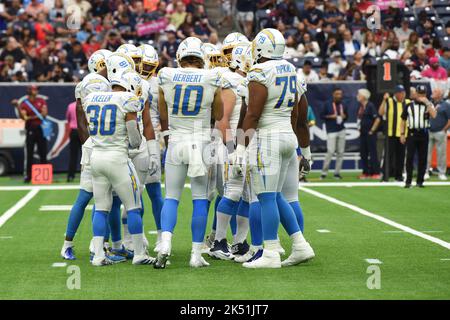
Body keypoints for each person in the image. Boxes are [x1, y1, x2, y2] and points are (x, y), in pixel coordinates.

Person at [233, 28, 314, 268]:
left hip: (268, 139)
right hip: (288, 137)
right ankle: (300, 245)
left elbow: (253, 114)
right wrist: (306, 152)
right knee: (278, 196)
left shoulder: (259, 72)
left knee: (266, 197)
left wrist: (240, 147)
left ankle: (270, 253)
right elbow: (300, 117)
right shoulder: (291, 70)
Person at [154, 37, 223, 269]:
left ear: (180, 57)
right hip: (201, 142)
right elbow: (220, 113)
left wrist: (167, 133)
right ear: (201, 58)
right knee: (200, 199)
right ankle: (195, 254)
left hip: (176, 141)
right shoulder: (211, 77)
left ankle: (165, 243)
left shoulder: (166, 74)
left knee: (171, 197)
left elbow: (162, 112)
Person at [87, 69, 153, 266]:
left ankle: (98, 255)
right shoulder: (127, 99)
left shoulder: (92, 97)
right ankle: (139, 253)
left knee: (101, 208)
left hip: (96, 157)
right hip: (117, 159)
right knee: (134, 207)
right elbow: (134, 138)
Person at [400, 85, 437, 188]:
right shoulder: (409, 105)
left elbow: (434, 115)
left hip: (424, 134)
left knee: (423, 158)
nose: (421, 96)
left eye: (423, 94)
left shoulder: (428, 105)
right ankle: (408, 181)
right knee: (410, 158)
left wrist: (427, 102)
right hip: (412, 134)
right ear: (415, 93)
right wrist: (402, 134)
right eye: (419, 94)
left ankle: (420, 181)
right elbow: (403, 120)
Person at [12, 85, 48, 183]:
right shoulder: (25, 103)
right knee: (29, 153)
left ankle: (45, 176)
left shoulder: (41, 101)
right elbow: (24, 117)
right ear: (29, 91)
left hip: (40, 129)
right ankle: (28, 176)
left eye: (36, 89)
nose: (36, 91)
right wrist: (17, 107)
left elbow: (44, 114)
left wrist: (31, 116)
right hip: (31, 129)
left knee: (43, 152)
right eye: (34, 89)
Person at [374, 85, 410, 181]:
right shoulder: (389, 101)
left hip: (403, 134)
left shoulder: (408, 103)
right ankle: (386, 175)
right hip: (391, 133)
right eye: (400, 93)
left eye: (403, 93)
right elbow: (380, 113)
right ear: (396, 94)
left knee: (401, 156)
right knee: (388, 155)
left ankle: (399, 175)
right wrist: (383, 100)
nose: (402, 95)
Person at [320, 88, 347, 180]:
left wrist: (344, 116)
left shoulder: (343, 104)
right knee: (330, 151)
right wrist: (330, 116)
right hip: (331, 130)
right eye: (337, 94)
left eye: (340, 94)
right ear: (333, 94)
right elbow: (321, 116)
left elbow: (347, 116)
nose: (339, 96)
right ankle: (324, 172)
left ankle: (337, 173)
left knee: (340, 152)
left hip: (341, 129)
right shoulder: (327, 104)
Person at [426, 89, 450, 180]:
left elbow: (449, 119)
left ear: (440, 95)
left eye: (435, 92)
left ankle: (441, 172)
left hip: (440, 132)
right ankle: (426, 171)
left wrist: (444, 130)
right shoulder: (429, 103)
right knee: (427, 153)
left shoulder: (446, 105)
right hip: (429, 131)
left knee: (441, 153)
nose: (433, 93)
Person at [356, 89, 380, 179]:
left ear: (364, 96)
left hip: (370, 134)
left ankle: (376, 172)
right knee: (363, 153)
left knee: (372, 153)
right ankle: (366, 172)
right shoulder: (361, 107)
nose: (357, 96)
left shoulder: (370, 106)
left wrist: (372, 130)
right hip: (362, 133)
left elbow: (377, 119)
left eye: (359, 94)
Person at [66, 101, 81, 182]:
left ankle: (70, 176)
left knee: (73, 155)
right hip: (83, 131)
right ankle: (86, 176)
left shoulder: (70, 105)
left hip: (74, 131)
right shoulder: (85, 104)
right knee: (85, 155)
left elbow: (68, 118)